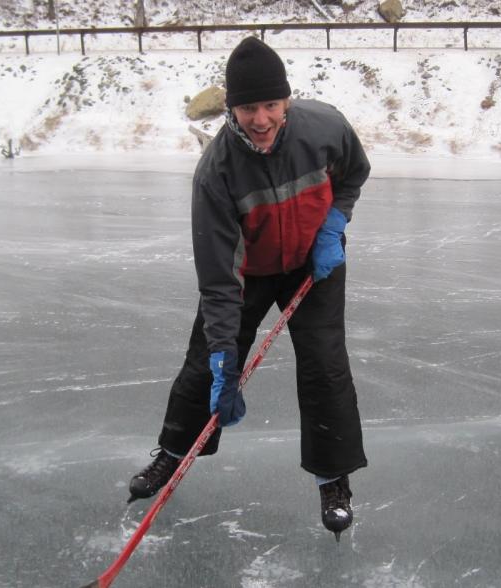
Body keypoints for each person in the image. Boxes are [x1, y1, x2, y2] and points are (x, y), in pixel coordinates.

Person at [127, 36, 370, 541]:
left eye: (270, 105)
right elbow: (218, 279)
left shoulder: (324, 126)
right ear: (230, 109)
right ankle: (173, 453)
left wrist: (333, 224)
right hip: (248, 273)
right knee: (206, 365)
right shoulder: (216, 173)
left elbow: (355, 173)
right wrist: (222, 356)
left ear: (286, 100)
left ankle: (333, 478)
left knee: (325, 364)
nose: (260, 118)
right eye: (247, 107)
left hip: (312, 262)